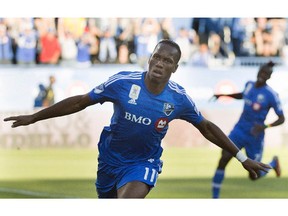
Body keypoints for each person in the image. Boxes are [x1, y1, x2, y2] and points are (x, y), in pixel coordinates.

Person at [4, 39, 271, 199]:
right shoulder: (122, 83)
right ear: (149, 58)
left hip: (144, 163)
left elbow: (208, 129)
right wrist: (35, 117)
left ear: (175, 68)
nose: (159, 63)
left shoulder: (178, 99)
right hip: (109, 161)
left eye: (167, 60)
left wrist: (242, 158)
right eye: (156, 57)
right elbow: (79, 101)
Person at [210, 61, 285, 199]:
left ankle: (273, 163)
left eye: (266, 74)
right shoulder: (249, 84)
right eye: (262, 72)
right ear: (258, 71)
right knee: (224, 158)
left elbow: (282, 118)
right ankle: (215, 198)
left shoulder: (271, 94)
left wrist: (265, 126)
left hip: (254, 136)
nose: (262, 75)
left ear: (269, 77)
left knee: (254, 175)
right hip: (239, 130)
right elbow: (242, 95)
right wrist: (223, 95)